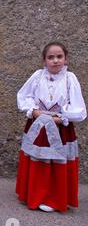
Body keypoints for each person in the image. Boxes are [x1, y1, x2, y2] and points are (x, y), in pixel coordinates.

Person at [16, 42, 86, 212]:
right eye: (51, 57)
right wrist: (33, 111)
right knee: (38, 160)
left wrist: (62, 118)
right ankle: (36, 194)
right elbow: (24, 96)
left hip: (60, 127)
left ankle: (55, 197)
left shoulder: (70, 78)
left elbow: (78, 106)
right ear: (44, 60)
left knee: (56, 161)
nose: (55, 60)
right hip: (38, 125)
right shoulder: (37, 76)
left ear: (65, 59)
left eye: (59, 56)